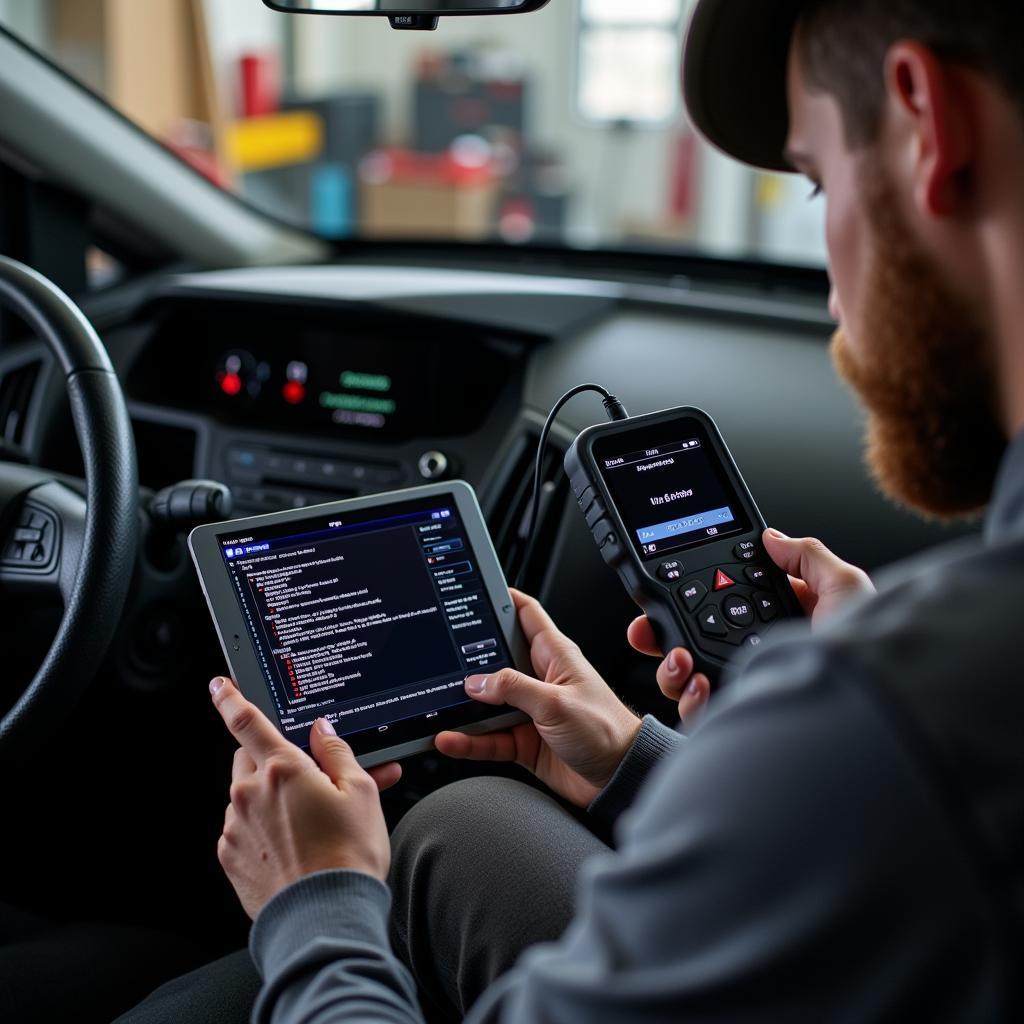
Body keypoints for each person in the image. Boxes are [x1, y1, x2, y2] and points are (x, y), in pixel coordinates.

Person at [120, 0, 1024, 1019]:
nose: (830, 297)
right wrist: (641, 769)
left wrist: (314, 906)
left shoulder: (894, 715)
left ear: (924, 125)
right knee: (463, 820)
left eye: (816, 182)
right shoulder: (917, 709)